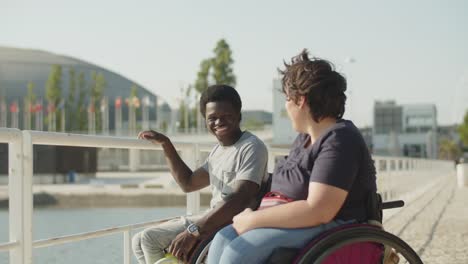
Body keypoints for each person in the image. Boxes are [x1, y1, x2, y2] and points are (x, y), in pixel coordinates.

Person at [207, 50, 377, 264]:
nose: (286, 107)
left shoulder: (340, 140)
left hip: (335, 227)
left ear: (300, 101)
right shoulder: (304, 139)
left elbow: (320, 209)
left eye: (288, 99)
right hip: (297, 220)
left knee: (239, 251)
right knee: (222, 238)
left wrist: (254, 219)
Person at [132, 84, 269, 264]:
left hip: (230, 222)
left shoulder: (252, 147)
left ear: (239, 116)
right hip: (211, 217)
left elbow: (240, 199)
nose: (219, 122)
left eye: (226, 116)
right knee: (137, 241)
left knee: (150, 239)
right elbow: (188, 183)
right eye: (212, 118)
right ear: (205, 120)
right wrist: (166, 144)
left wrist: (193, 231)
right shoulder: (218, 151)